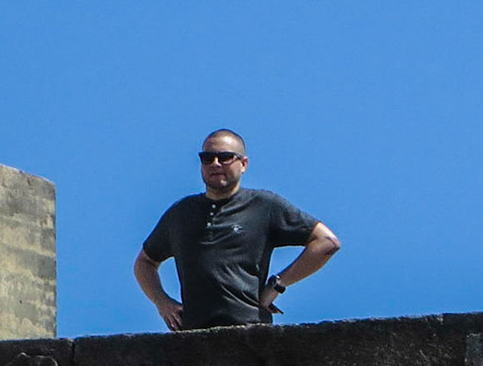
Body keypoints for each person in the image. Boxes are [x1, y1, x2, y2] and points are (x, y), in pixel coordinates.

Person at [133, 130, 340, 331]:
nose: (215, 164)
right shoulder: (181, 213)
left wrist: (277, 284)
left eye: (225, 157)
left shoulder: (263, 206)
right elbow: (145, 262)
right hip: (192, 336)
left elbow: (326, 241)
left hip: (249, 330)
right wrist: (163, 303)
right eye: (207, 158)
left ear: (243, 164)